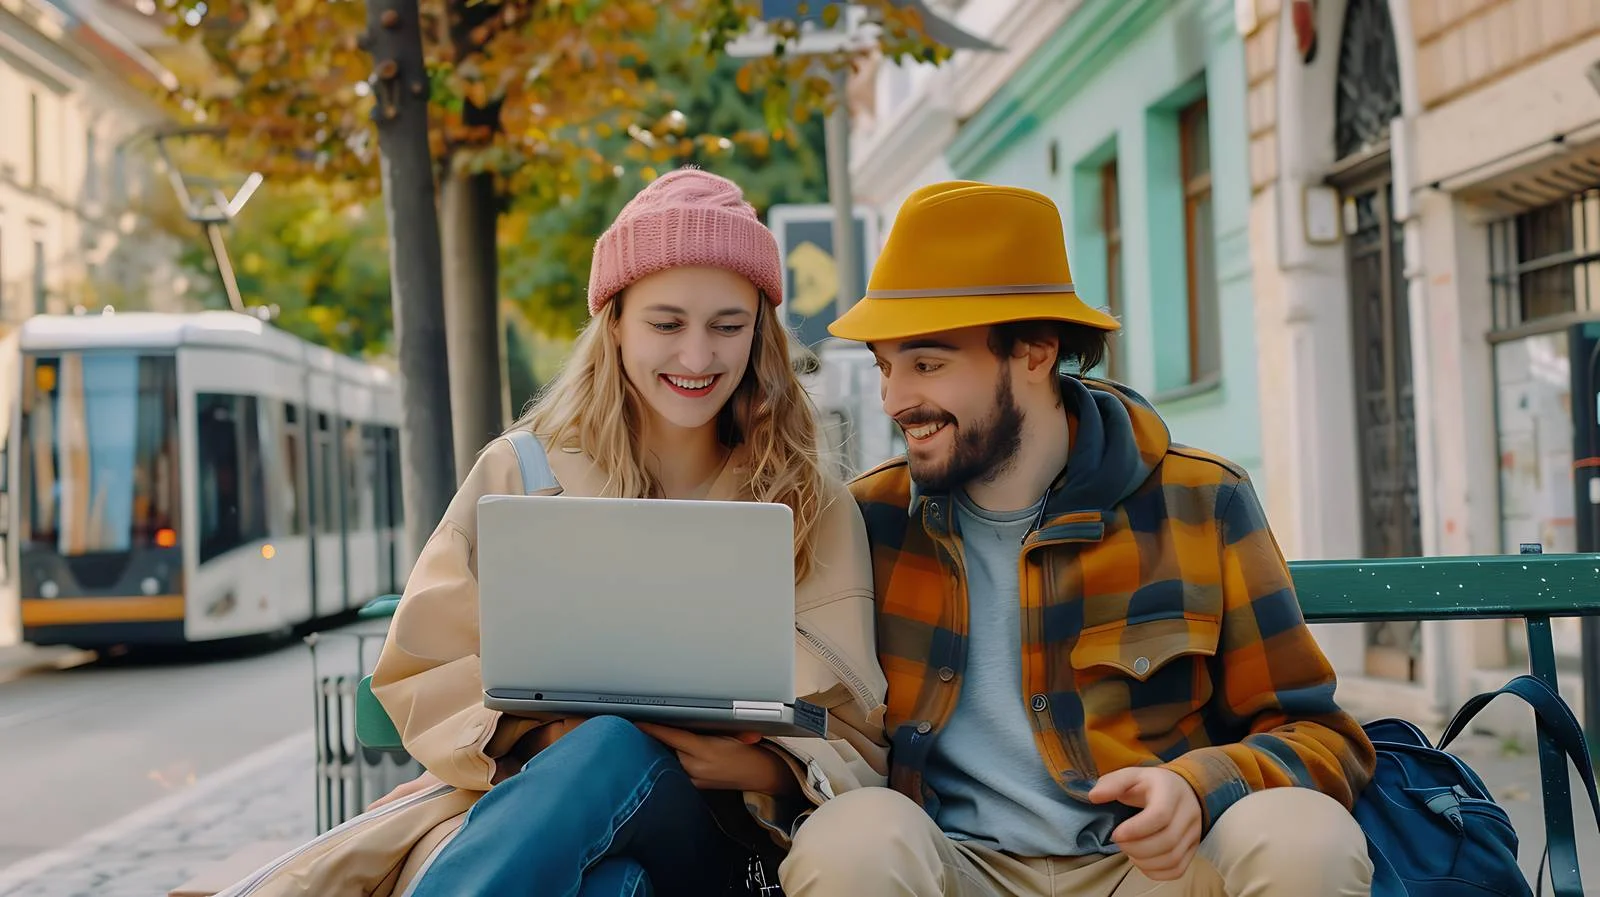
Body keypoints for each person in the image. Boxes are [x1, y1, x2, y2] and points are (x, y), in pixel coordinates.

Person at [213, 168, 889, 897]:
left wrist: (753, 767)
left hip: (736, 842)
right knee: (611, 879)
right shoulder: (524, 471)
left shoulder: (809, 502)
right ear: (616, 322)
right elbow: (424, 669)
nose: (698, 357)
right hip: (565, 814)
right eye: (667, 323)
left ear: (760, 332)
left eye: (728, 326)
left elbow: (858, 729)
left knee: (609, 751)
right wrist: (544, 735)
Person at [775, 180, 1377, 897]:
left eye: (927, 363)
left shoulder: (1200, 500)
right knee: (851, 838)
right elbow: (825, 725)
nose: (895, 398)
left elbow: (1323, 736)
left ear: (1034, 351)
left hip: (1151, 871)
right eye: (885, 365)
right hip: (959, 868)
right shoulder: (870, 518)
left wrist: (1196, 787)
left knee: (1306, 836)